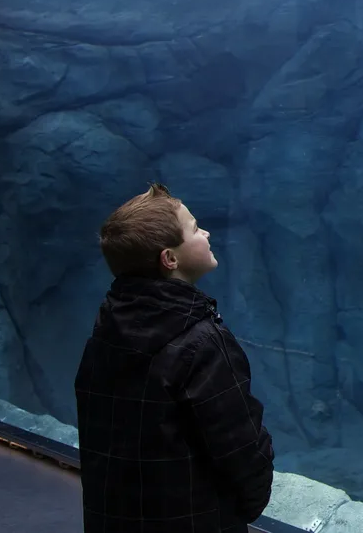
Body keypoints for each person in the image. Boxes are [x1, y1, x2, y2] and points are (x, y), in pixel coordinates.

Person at [74, 182, 276, 532]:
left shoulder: (108, 325)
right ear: (170, 259)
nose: (207, 232)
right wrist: (245, 506)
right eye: (196, 229)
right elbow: (239, 447)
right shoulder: (201, 343)